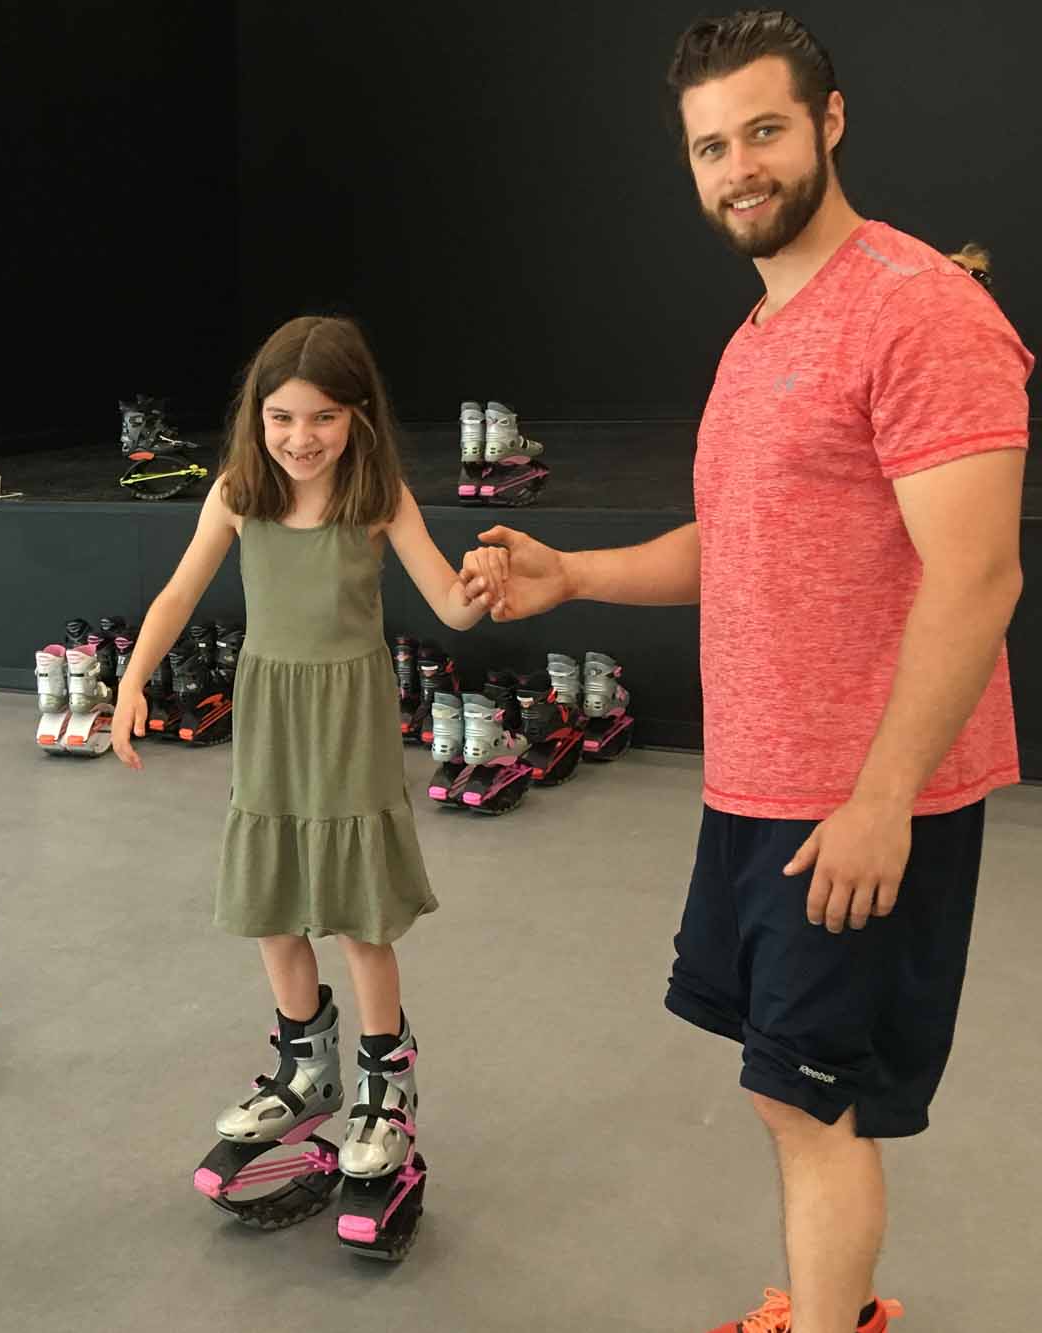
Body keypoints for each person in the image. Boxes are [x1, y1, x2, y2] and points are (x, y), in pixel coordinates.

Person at [461, 13, 1029, 1331]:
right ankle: (828, 1308)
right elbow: (742, 546)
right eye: (710, 146)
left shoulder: (921, 312)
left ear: (830, 122)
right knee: (787, 1084)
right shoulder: (763, 333)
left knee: (814, 1094)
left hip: (861, 802)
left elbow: (980, 575)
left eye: (763, 130)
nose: (737, 167)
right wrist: (575, 576)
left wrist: (884, 794)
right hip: (766, 788)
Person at [113, 315, 496, 1242]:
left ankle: (382, 1078)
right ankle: (305, 1064)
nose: (300, 437)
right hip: (273, 710)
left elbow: (449, 598)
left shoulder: (378, 496)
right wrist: (129, 680)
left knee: (360, 909)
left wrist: (487, 581)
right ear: (258, 416)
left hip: (349, 714)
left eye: (322, 417)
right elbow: (177, 594)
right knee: (274, 897)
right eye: (281, 416)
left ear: (358, 418)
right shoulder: (240, 493)